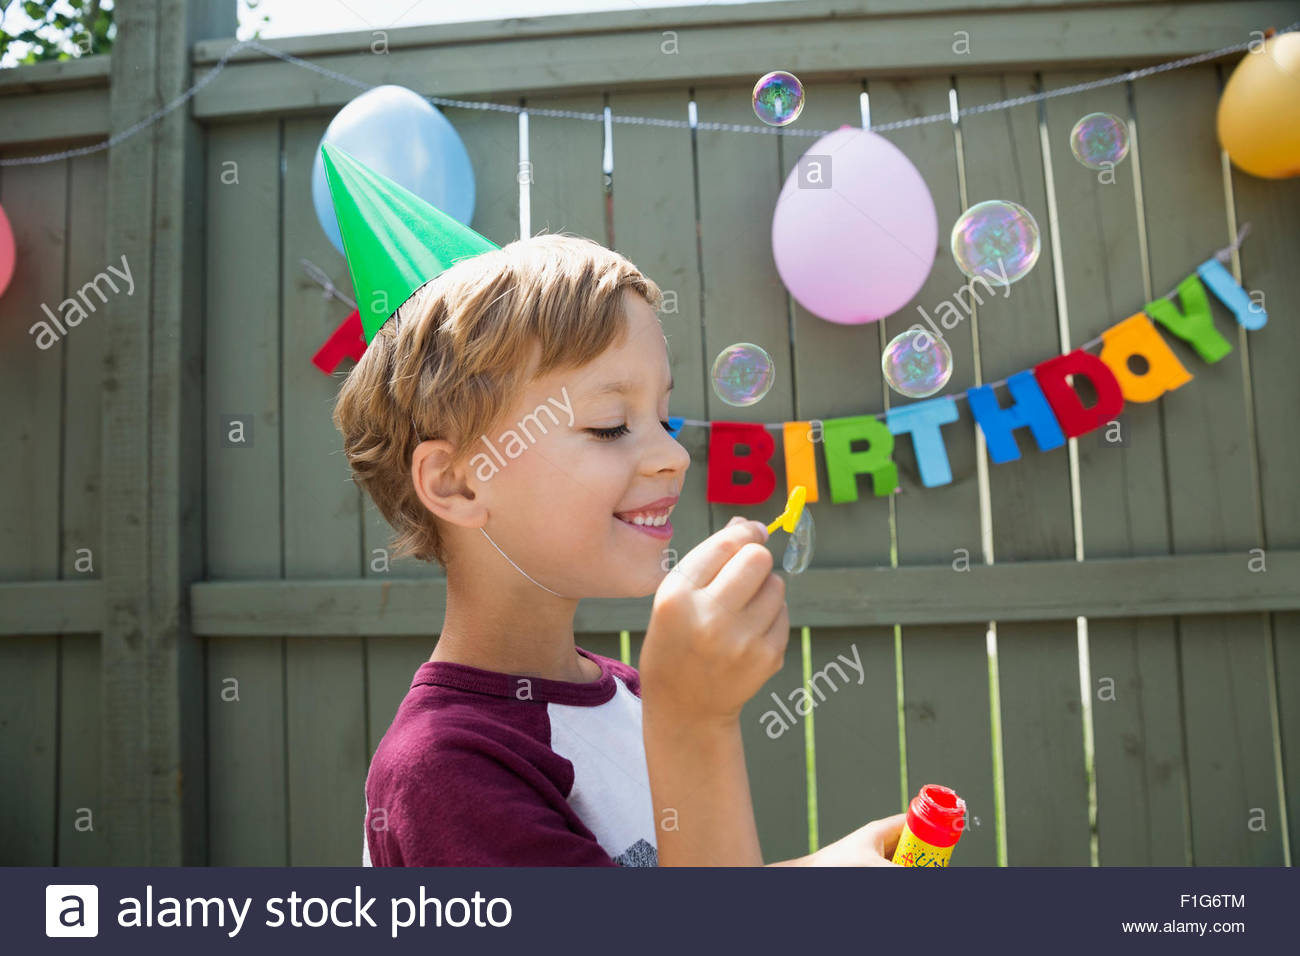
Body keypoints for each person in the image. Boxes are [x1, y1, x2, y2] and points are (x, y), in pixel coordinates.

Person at [322, 143, 904, 867]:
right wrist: (694, 725)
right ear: (458, 483)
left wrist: (829, 870)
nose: (672, 454)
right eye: (608, 426)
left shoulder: (626, 695)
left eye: (666, 417)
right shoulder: (446, 772)